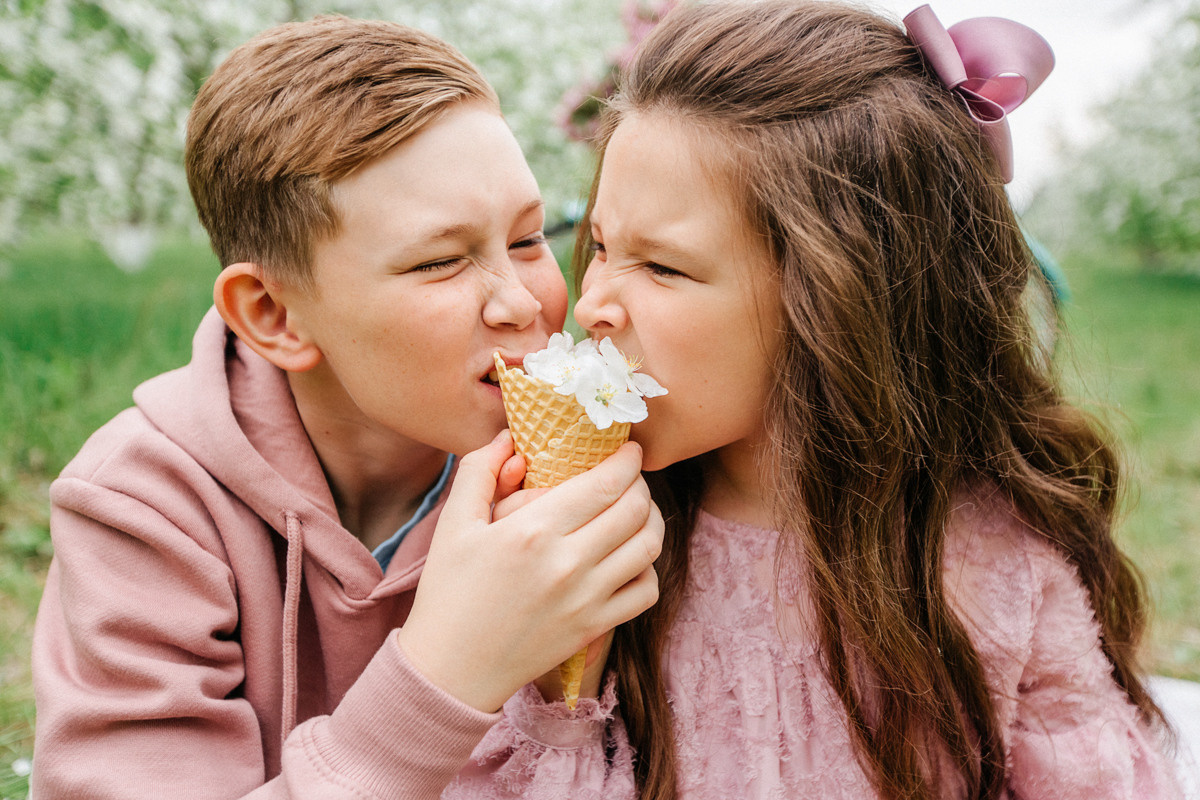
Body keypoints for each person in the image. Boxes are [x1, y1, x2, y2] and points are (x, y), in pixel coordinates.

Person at [447, 2, 1189, 799]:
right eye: (600, 245)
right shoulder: (575, 545)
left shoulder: (997, 565)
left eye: (662, 267)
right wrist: (563, 693)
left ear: (841, 300)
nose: (592, 302)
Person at [29, 15, 663, 799]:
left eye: (531, 239)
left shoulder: (581, 478)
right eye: (440, 261)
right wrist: (447, 673)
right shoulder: (142, 509)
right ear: (274, 314)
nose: (523, 302)